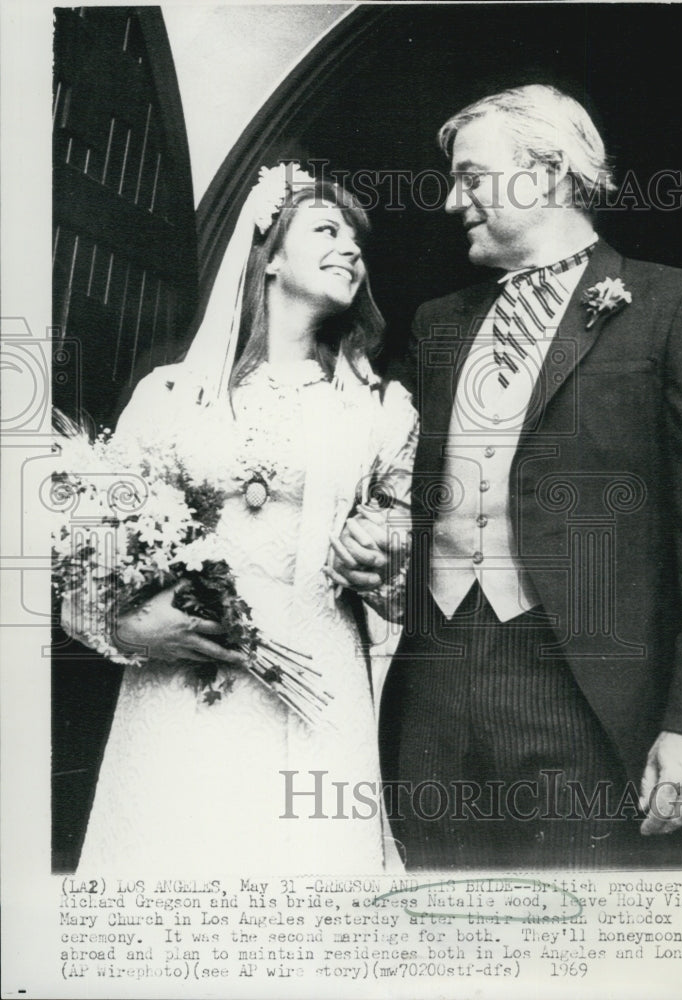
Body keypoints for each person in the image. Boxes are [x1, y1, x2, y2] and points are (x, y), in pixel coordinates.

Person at [377, 85, 682, 870]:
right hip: (432, 683)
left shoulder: (675, 305)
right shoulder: (435, 323)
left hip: (588, 693)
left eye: (470, 176)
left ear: (548, 171)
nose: (452, 201)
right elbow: (407, 499)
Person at [65, 165, 418, 872]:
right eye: (327, 229)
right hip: (179, 690)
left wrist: (381, 565)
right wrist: (127, 626)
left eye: (357, 240)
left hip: (318, 691)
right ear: (269, 256)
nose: (351, 247)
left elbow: (410, 579)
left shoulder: (381, 408)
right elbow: (88, 560)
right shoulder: (167, 396)